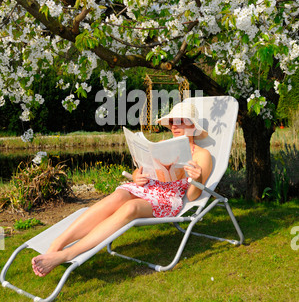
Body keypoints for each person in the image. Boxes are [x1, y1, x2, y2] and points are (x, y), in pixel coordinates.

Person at [32, 102, 213, 277]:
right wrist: (136, 176)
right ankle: (58, 243)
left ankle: (67, 254)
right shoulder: (163, 145)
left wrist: (197, 178)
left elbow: (192, 195)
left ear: (192, 125)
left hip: (168, 198)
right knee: (118, 196)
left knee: (131, 208)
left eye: (181, 120)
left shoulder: (202, 155)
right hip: (148, 187)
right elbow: (143, 168)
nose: (174, 125)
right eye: (172, 121)